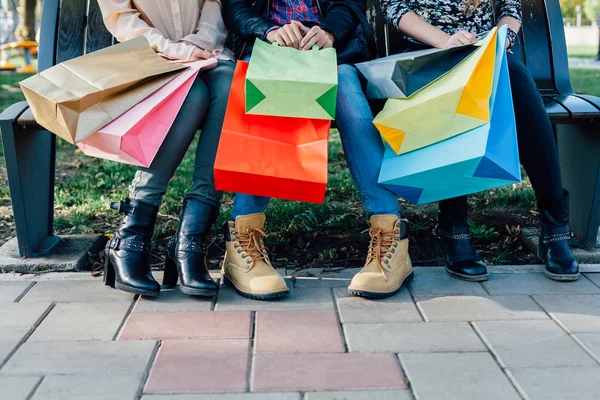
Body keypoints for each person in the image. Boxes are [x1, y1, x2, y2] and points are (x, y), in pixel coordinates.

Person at [222, 0, 416, 300]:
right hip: (267, 50)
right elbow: (236, 8)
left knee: (348, 93)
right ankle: (243, 244)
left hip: (331, 52)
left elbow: (349, 3)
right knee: (267, 88)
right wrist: (269, 31)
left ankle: (391, 239)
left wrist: (328, 32)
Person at [378, 0, 579, 283]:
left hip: (485, 54)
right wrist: (445, 41)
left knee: (516, 76)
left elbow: (510, 9)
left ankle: (555, 227)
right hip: (425, 54)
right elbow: (394, 7)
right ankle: (452, 225)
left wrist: (500, 39)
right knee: (453, 89)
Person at [98, 0, 236, 297]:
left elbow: (213, 4)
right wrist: (178, 51)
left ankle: (190, 240)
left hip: (206, 53)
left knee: (229, 85)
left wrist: (196, 44)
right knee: (192, 94)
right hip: (148, 60)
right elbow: (123, 20)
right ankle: (130, 236)